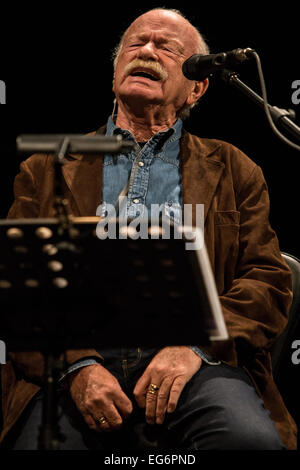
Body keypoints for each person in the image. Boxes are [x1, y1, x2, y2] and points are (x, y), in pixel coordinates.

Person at [0, 8, 297, 450]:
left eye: (167, 48)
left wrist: (195, 347)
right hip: (72, 362)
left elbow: (267, 280)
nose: (147, 51)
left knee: (249, 441)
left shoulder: (235, 169)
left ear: (197, 87)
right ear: (116, 72)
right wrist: (77, 367)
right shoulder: (45, 169)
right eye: (136, 44)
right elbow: (17, 284)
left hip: (199, 361)